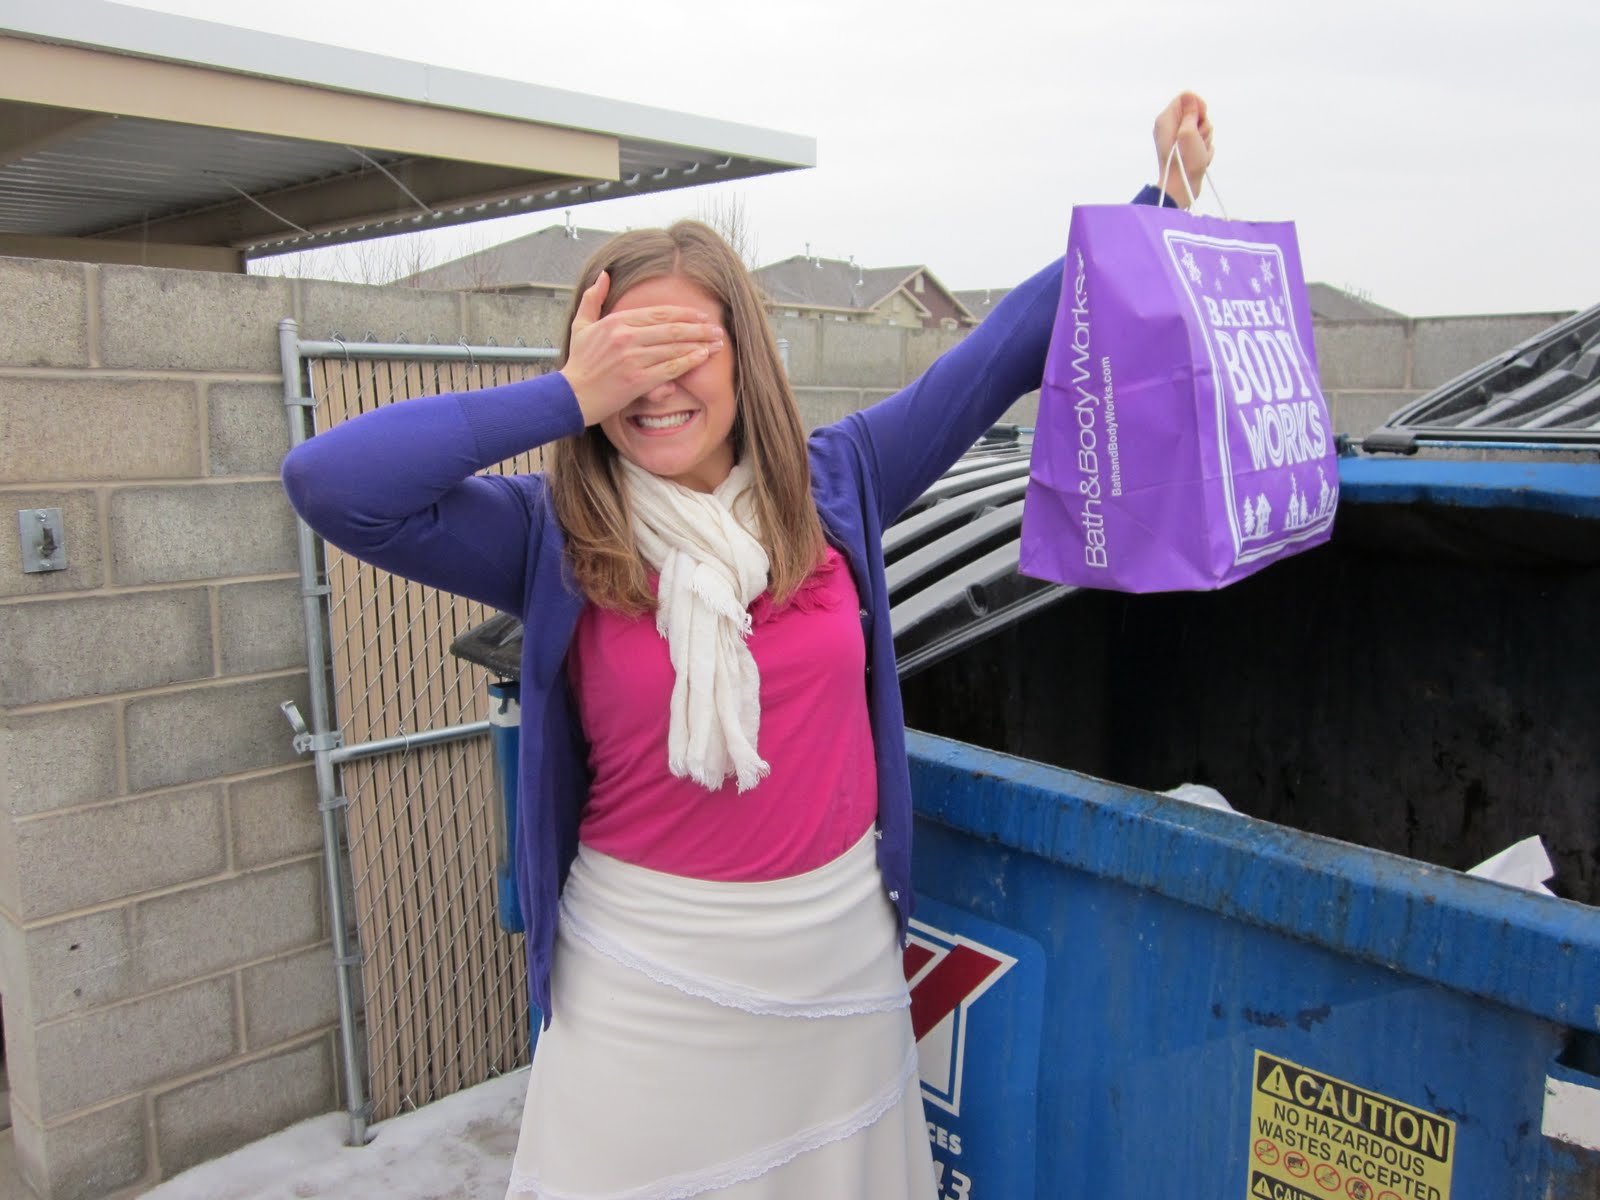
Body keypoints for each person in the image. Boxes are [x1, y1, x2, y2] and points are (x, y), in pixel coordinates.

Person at [282, 92, 1214, 1200]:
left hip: (835, 965)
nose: (657, 385)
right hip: (644, 980)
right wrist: (566, 394)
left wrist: (1156, 198)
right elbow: (331, 484)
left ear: (747, 355)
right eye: (628, 357)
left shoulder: (841, 482)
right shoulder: (553, 532)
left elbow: (1013, 346)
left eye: (685, 348)